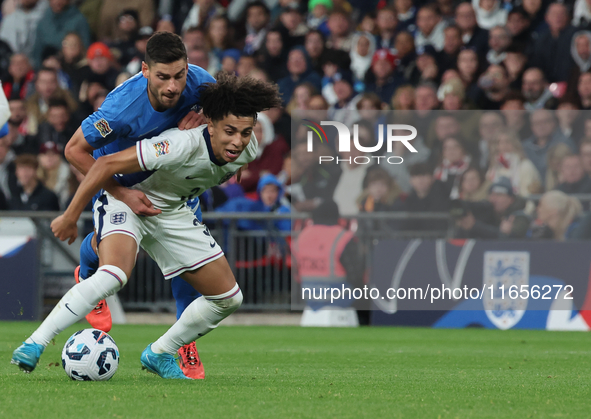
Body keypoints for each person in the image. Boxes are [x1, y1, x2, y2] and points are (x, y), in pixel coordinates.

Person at [11, 72, 282, 380]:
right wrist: (70, 215)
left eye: (245, 132)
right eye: (230, 130)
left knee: (229, 298)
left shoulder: (248, 147)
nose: (238, 140)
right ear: (212, 123)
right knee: (114, 274)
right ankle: (35, 343)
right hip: (129, 201)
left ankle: (161, 352)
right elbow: (104, 165)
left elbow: (235, 148)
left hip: (173, 212)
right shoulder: (179, 143)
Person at [61, 32, 215, 379]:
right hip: (123, 182)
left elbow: (231, 114)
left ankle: (184, 341)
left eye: (179, 75)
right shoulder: (121, 108)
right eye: (163, 77)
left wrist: (208, 115)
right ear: (145, 70)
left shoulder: (202, 83)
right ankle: (88, 271)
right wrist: (120, 192)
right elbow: (73, 150)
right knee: (116, 261)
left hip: (173, 185)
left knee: (187, 266)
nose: (174, 86)